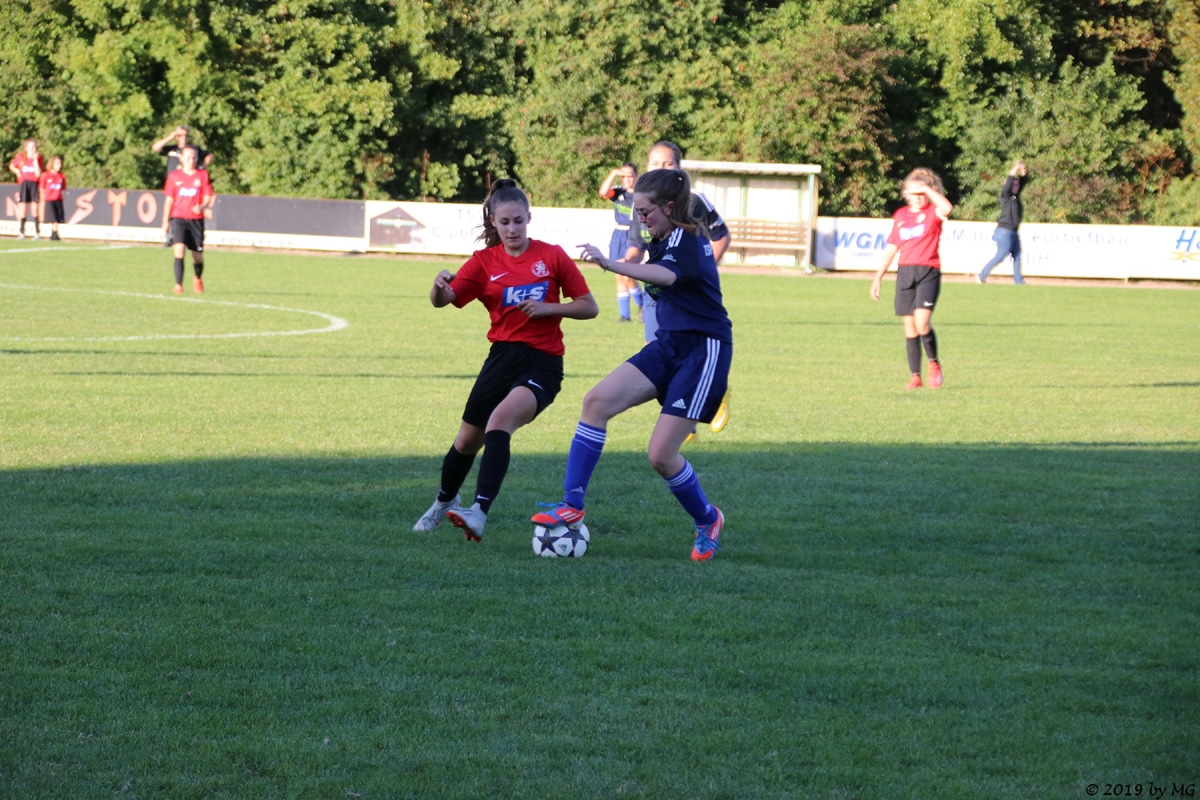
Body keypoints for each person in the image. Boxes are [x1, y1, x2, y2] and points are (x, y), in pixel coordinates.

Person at [532, 168, 733, 562]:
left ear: (669, 207)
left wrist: (610, 264)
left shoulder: (688, 240)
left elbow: (665, 276)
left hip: (702, 350)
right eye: (637, 212)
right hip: (668, 344)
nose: (639, 219)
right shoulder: (661, 237)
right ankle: (572, 504)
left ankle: (708, 519)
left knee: (660, 455)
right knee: (596, 402)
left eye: (645, 212)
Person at [413, 179, 599, 542]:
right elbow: (443, 300)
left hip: (543, 362)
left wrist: (549, 308)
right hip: (501, 359)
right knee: (466, 442)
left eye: (518, 221)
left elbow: (589, 307)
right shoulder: (484, 262)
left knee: (499, 422)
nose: (512, 229)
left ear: (529, 218)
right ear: (494, 222)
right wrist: (437, 285)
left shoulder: (552, 256)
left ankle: (479, 512)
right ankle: (444, 501)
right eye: (504, 222)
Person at [626, 140, 732, 434]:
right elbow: (636, 246)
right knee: (656, 353)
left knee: (683, 351)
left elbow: (721, 236)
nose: (660, 167)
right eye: (655, 163)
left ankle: (711, 395)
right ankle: (684, 424)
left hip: (684, 291)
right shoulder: (641, 203)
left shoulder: (695, 201)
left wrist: (704, 268)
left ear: (678, 168)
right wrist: (625, 264)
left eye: (667, 163)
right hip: (657, 290)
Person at [869, 168, 954, 389]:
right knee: (909, 327)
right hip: (905, 272)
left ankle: (934, 363)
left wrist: (927, 189)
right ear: (906, 195)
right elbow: (892, 247)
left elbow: (947, 208)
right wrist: (878, 278)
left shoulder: (933, 212)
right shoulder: (900, 216)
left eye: (921, 194)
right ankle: (915, 376)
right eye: (914, 194)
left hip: (928, 272)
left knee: (922, 323)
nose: (918, 198)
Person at [161, 146, 215, 294]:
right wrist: (165, 221)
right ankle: (178, 285)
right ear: (181, 159)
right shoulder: (174, 176)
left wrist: (202, 207)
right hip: (178, 218)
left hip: (196, 220)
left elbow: (208, 196)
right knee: (179, 251)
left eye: (194, 157)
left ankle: (197, 278)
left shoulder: (202, 175)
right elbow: (169, 200)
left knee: (197, 256)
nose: (192, 160)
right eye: (188, 157)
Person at [598, 162, 644, 322]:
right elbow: (602, 193)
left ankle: (642, 305)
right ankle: (625, 315)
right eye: (623, 176)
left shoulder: (641, 195)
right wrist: (613, 173)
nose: (626, 179)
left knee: (627, 272)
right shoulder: (618, 192)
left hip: (633, 233)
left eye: (630, 176)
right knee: (619, 274)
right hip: (618, 234)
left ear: (636, 177)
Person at [975, 160, 1028, 284]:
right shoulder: (1006, 196)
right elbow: (1009, 179)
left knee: (1017, 256)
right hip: (1004, 231)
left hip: (1013, 232)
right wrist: (1015, 168)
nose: (1016, 186)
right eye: (1014, 185)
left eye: (1017, 185)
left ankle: (1019, 281)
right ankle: (982, 275)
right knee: (1001, 254)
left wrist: (1023, 170)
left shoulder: (1016, 197)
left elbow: (1024, 181)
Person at [9, 138, 44, 240]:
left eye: (35, 147)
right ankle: (22, 232)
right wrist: (17, 172)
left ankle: (37, 232)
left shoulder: (39, 158)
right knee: (23, 208)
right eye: (31, 147)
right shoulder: (21, 157)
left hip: (34, 184)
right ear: (26, 148)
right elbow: (12, 166)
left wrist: (35, 160)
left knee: (35, 209)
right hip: (24, 183)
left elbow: (38, 174)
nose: (33, 149)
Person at [37, 155, 66, 241]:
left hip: (58, 199)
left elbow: (63, 187)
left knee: (57, 217)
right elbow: (42, 188)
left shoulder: (61, 176)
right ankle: (53, 233)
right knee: (53, 217)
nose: (59, 165)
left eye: (60, 164)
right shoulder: (46, 175)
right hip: (49, 199)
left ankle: (55, 233)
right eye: (57, 163)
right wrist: (43, 198)